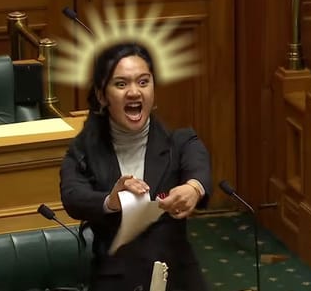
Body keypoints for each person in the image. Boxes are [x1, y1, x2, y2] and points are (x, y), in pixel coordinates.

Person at [60, 43, 212, 291]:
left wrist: (193, 189)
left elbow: (199, 169)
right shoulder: (84, 150)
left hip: (176, 277)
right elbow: (73, 196)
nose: (134, 92)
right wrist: (110, 201)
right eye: (121, 84)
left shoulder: (180, 142)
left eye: (143, 82)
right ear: (101, 95)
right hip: (117, 279)